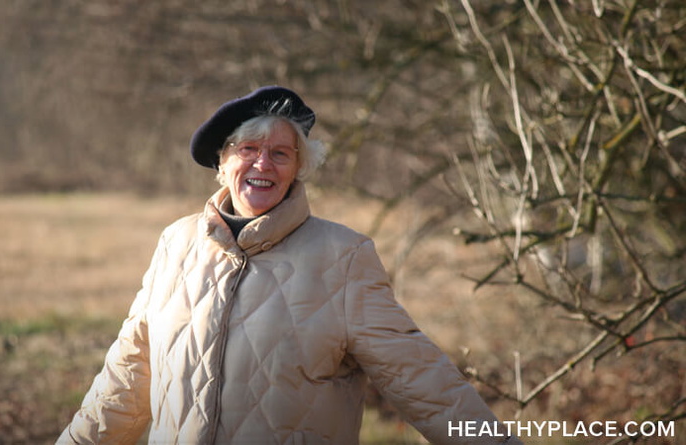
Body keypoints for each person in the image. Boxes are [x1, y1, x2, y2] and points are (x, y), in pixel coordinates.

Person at [57, 86, 522, 444]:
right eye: (248, 149)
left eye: (281, 153)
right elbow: (128, 374)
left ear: (298, 168)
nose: (263, 163)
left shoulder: (343, 257)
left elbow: (422, 380)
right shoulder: (176, 244)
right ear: (223, 162)